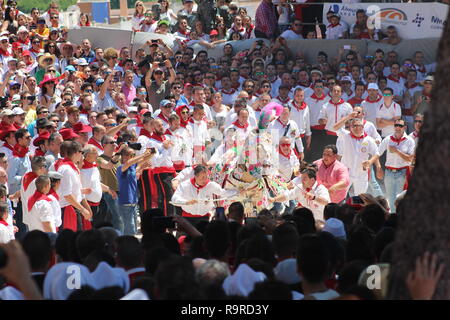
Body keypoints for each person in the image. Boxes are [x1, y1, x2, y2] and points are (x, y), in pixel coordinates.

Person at [171, 165, 238, 226]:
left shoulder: (211, 185)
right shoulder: (185, 185)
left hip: (204, 219)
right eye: (202, 177)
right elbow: (174, 199)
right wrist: (186, 202)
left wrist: (237, 192)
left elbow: (223, 193)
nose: (205, 180)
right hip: (187, 218)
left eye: (206, 177)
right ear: (195, 176)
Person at [335, 117, 380, 196]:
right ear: (350, 128)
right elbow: (335, 127)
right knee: (340, 195)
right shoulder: (346, 135)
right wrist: (349, 116)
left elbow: (376, 153)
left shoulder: (369, 139)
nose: (356, 128)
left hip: (361, 173)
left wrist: (370, 162)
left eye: (358, 126)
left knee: (360, 197)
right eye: (353, 126)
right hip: (346, 172)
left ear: (362, 127)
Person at [378, 119, 415, 213]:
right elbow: (377, 153)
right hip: (389, 172)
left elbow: (410, 159)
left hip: (402, 172)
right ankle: (394, 218)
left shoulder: (410, 140)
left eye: (400, 126)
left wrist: (396, 151)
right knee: (390, 198)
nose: (398, 127)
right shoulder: (388, 139)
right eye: (396, 125)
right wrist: (378, 167)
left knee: (400, 198)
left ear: (405, 127)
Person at [55, 141, 92, 231]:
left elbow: (72, 190)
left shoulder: (71, 167)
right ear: (76, 153)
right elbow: (67, 195)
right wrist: (83, 209)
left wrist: (81, 192)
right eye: (82, 152)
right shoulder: (67, 169)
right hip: (68, 209)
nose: (82, 155)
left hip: (73, 207)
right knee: (71, 241)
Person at [117, 147, 153, 235]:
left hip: (133, 202)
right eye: (132, 155)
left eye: (134, 155)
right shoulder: (121, 168)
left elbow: (142, 160)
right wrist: (143, 155)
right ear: (124, 156)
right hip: (125, 202)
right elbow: (130, 162)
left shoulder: (132, 167)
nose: (134, 157)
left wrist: (150, 153)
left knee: (133, 229)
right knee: (130, 230)